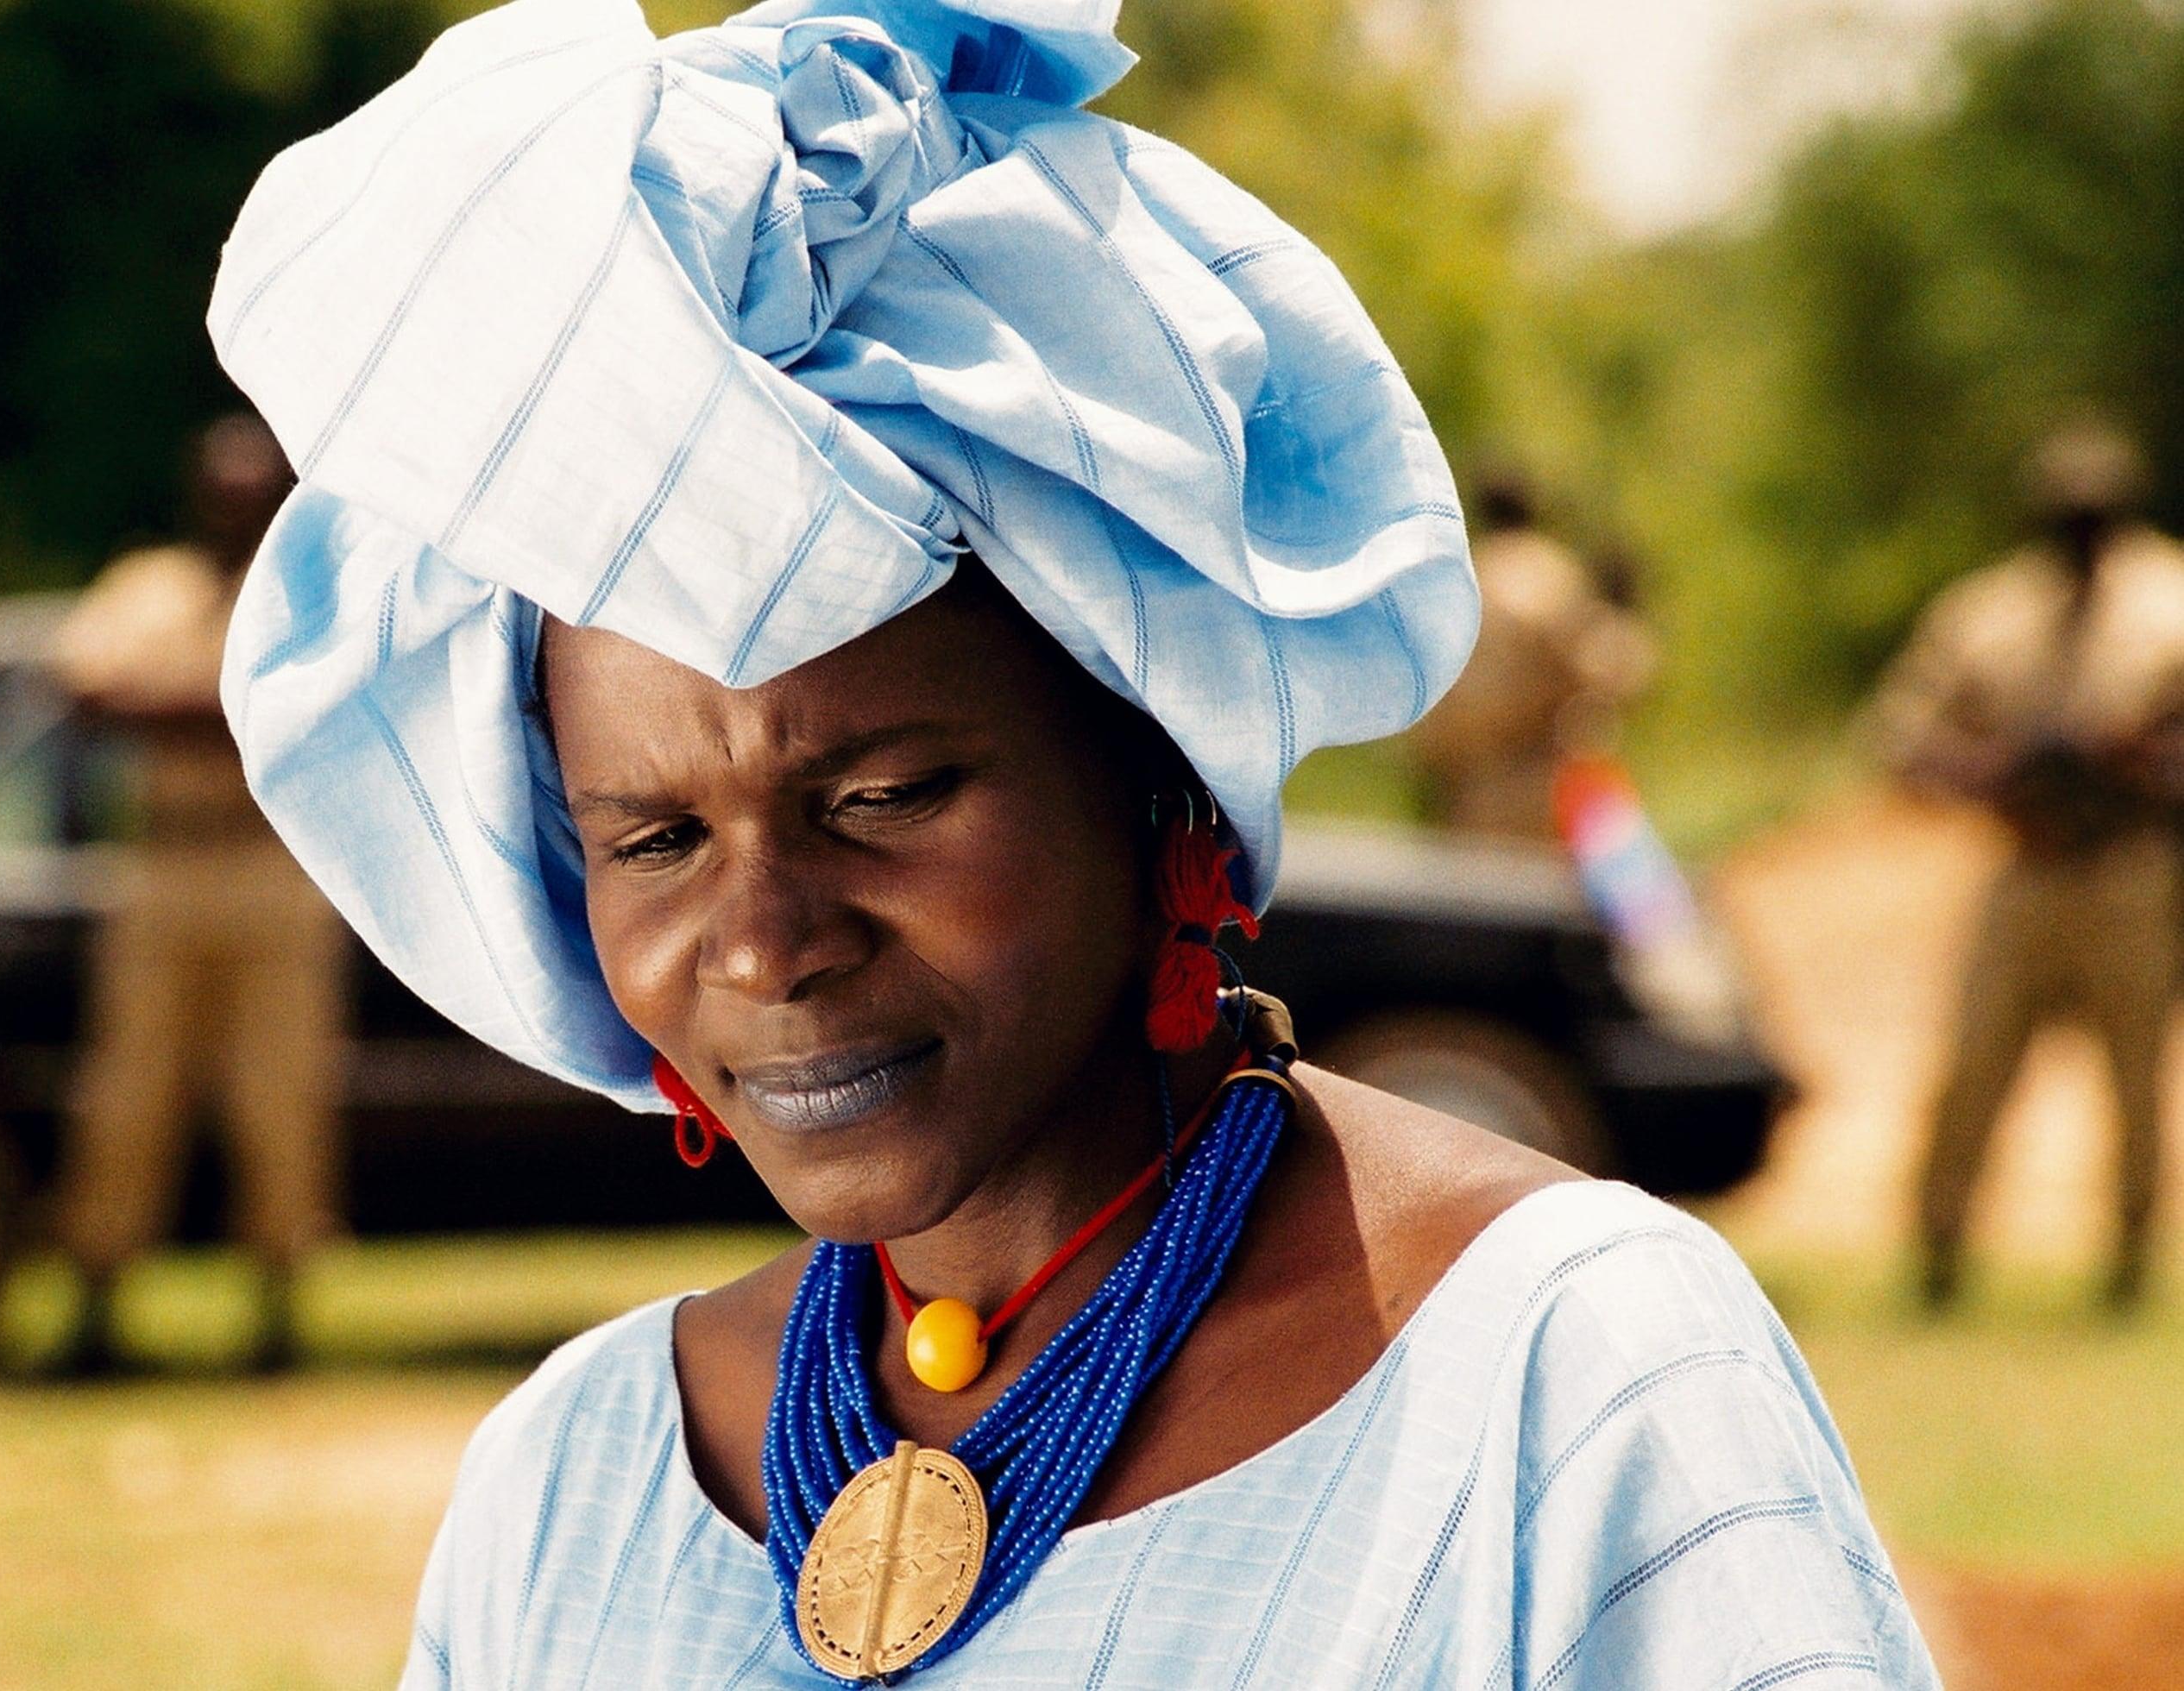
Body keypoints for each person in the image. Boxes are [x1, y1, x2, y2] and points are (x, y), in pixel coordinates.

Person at [212, 0, 1936, 1682]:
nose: (759, 940)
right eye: (653, 834)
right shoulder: (572, 1484)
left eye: (877, 798)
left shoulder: (1557, 1378)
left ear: (1155, 769)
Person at [41, 415, 347, 1376]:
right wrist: (232, 705)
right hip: (164, 865)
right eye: (222, 493)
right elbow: (83, 691)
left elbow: (320, 707)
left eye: (253, 496)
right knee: (129, 1089)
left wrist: (174, 701)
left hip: (275, 864)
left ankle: (278, 1307)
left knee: (280, 1089)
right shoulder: (152, 584)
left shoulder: (308, 591)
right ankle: (96, 1298)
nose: (236, 511)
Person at [1875, 421, 2184, 1313]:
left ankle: (2128, 1265)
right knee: (1973, 1068)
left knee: (2135, 1081)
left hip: (2131, 870)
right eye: (2065, 515)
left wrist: (2130, 762)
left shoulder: (2169, 600)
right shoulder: (1988, 611)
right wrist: (1993, 774)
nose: (2081, 532)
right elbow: (1899, 736)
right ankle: (1937, 1253)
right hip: (2025, 865)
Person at [1409, 471, 1658, 839]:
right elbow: (1608, 669)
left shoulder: (1455, 578)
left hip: (1465, 790)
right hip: (1536, 789)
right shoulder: (1549, 576)